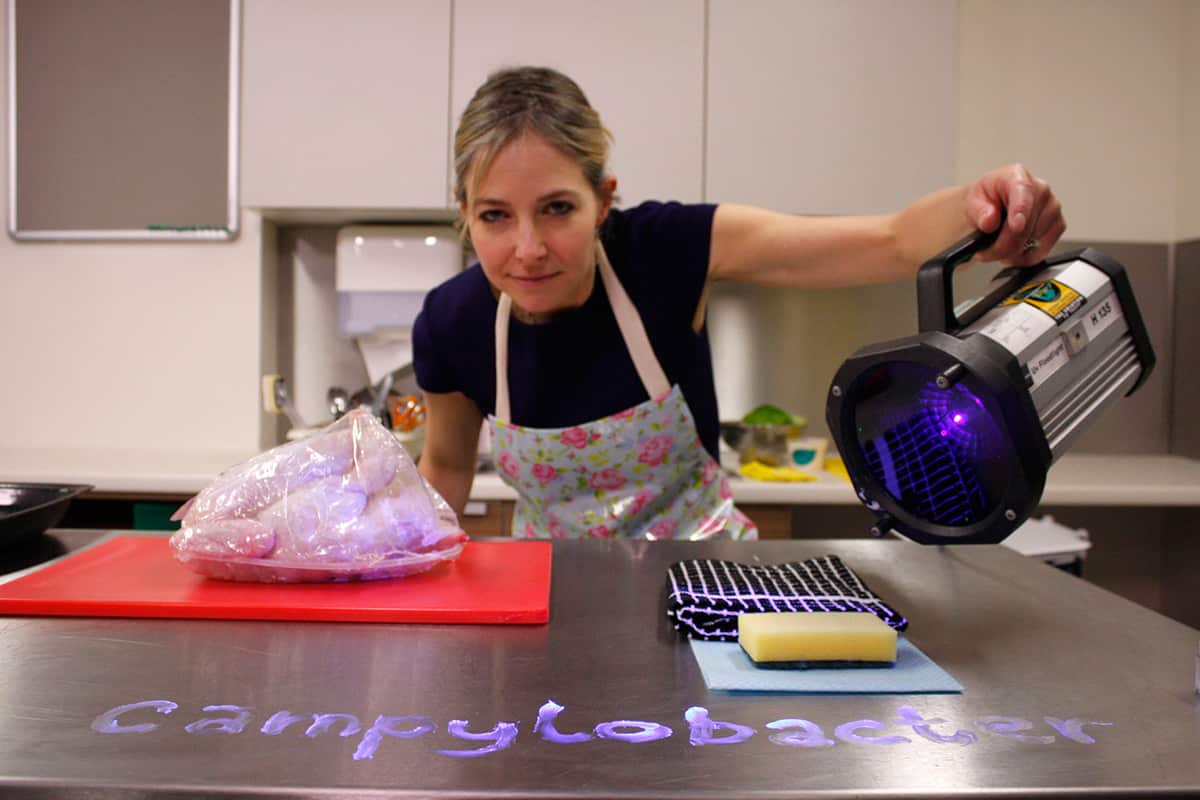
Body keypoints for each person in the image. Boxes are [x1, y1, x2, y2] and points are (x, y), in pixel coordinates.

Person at [413, 66, 1065, 541]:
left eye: (557, 209)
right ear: (465, 213)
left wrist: (984, 203)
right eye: (496, 216)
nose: (527, 249)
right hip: (550, 599)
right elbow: (444, 467)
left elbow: (890, 242)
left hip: (707, 585)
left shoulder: (664, 252)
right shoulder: (452, 323)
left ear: (603, 200)